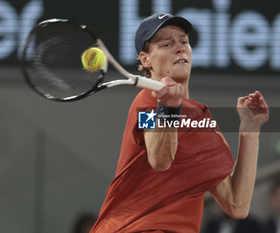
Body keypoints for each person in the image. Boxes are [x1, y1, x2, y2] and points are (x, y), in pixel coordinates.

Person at [90, 13, 269, 233]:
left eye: (184, 41)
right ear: (145, 60)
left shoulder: (202, 121)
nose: (179, 48)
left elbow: (236, 204)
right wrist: (168, 108)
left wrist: (249, 129)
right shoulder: (147, 102)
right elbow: (161, 160)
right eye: (166, 43)